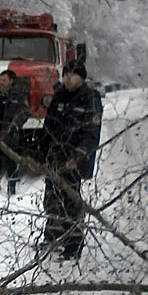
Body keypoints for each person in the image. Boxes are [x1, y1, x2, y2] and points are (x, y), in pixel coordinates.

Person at [39, 58, 103, 260]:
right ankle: (52, 236)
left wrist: (77, 157)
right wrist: (42, 151)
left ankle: (73, 244)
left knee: (70, 201)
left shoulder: (90, 99)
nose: (67, 78)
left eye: (72, 75)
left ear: (81, 77)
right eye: (65, 74)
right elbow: (48, 126)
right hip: (54, 157)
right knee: (51, 198)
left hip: (74, 160)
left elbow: (91, 134)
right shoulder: (59, 95)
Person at [0, 70, 28, 195]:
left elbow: (24, 113)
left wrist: (14, 126)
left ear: (11, 81)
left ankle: (12, 186)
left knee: (11, 160)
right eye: (0, 80)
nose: (1, 83)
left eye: (4, 80)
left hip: (10, 132)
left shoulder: (17, 96)